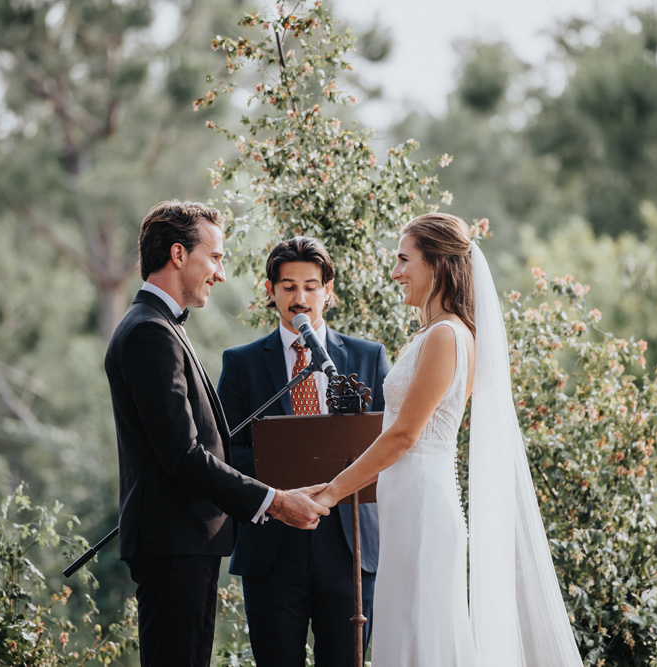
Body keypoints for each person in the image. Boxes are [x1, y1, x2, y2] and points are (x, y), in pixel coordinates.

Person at [312, 213, 584, 666]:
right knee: (407, 635)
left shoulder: (445, 336)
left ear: (435, 264)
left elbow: (402, 435)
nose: (396, 272)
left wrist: (332, 491)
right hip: (405, 507)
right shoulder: (432, 333)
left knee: (422, 638)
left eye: (404, 260)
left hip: (422, 509)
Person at [105, 201, 330, 667]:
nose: (221, 274)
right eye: (216, 257)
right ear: (179, 255)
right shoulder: (150, 332)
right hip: (174, 544)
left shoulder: (161, 326)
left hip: (185, 544)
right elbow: (184, 454)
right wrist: (277, 501)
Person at [217, 237, 391, 666]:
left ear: (328, 291)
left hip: (349, 544)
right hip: (271, 548)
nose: (300, 298)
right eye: (289, 286)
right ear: (269, 291)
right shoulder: (240, 363)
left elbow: (388, 445)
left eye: (311, 286)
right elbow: (223, 450)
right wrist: (279, 485)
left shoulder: (368, 357)